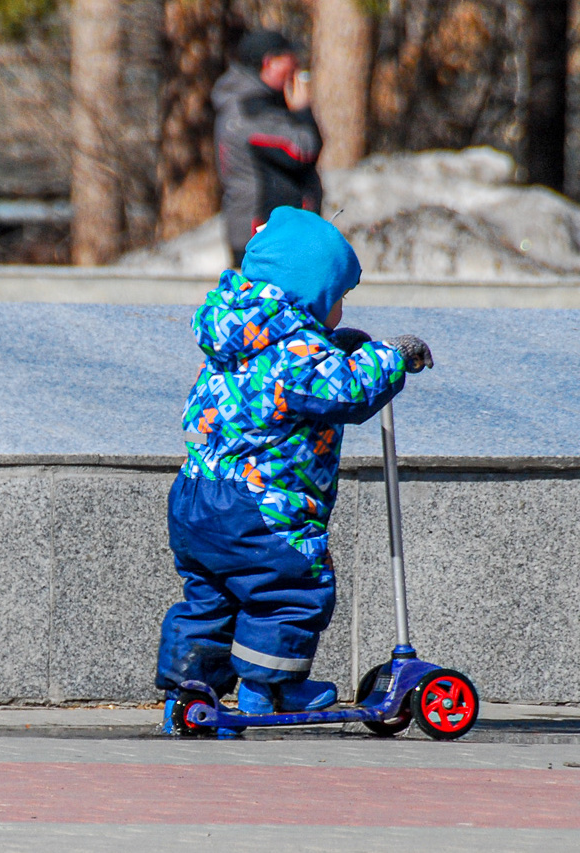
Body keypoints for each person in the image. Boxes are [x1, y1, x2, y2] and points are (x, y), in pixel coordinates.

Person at [156, 207, 433, 731]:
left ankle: (188, 693)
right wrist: (392, 357)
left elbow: (297, 377)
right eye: (339, 298)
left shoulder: (236, 333)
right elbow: (347, 391)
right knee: (287, 590)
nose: (340, 308)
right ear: (313, 293)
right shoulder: (296, 350)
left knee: (209, 598)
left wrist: (338, 347)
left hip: (196, 497)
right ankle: (271, 689)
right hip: (262, 505)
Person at [213, 31, 324, 267]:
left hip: (278, 233)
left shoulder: (263, 104)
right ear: (268, 62)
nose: (296, 66)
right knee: (269, 303)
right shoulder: (248, 110)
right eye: (289, 59)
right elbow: (302, 150)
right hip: (262, 235)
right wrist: (303, 110)